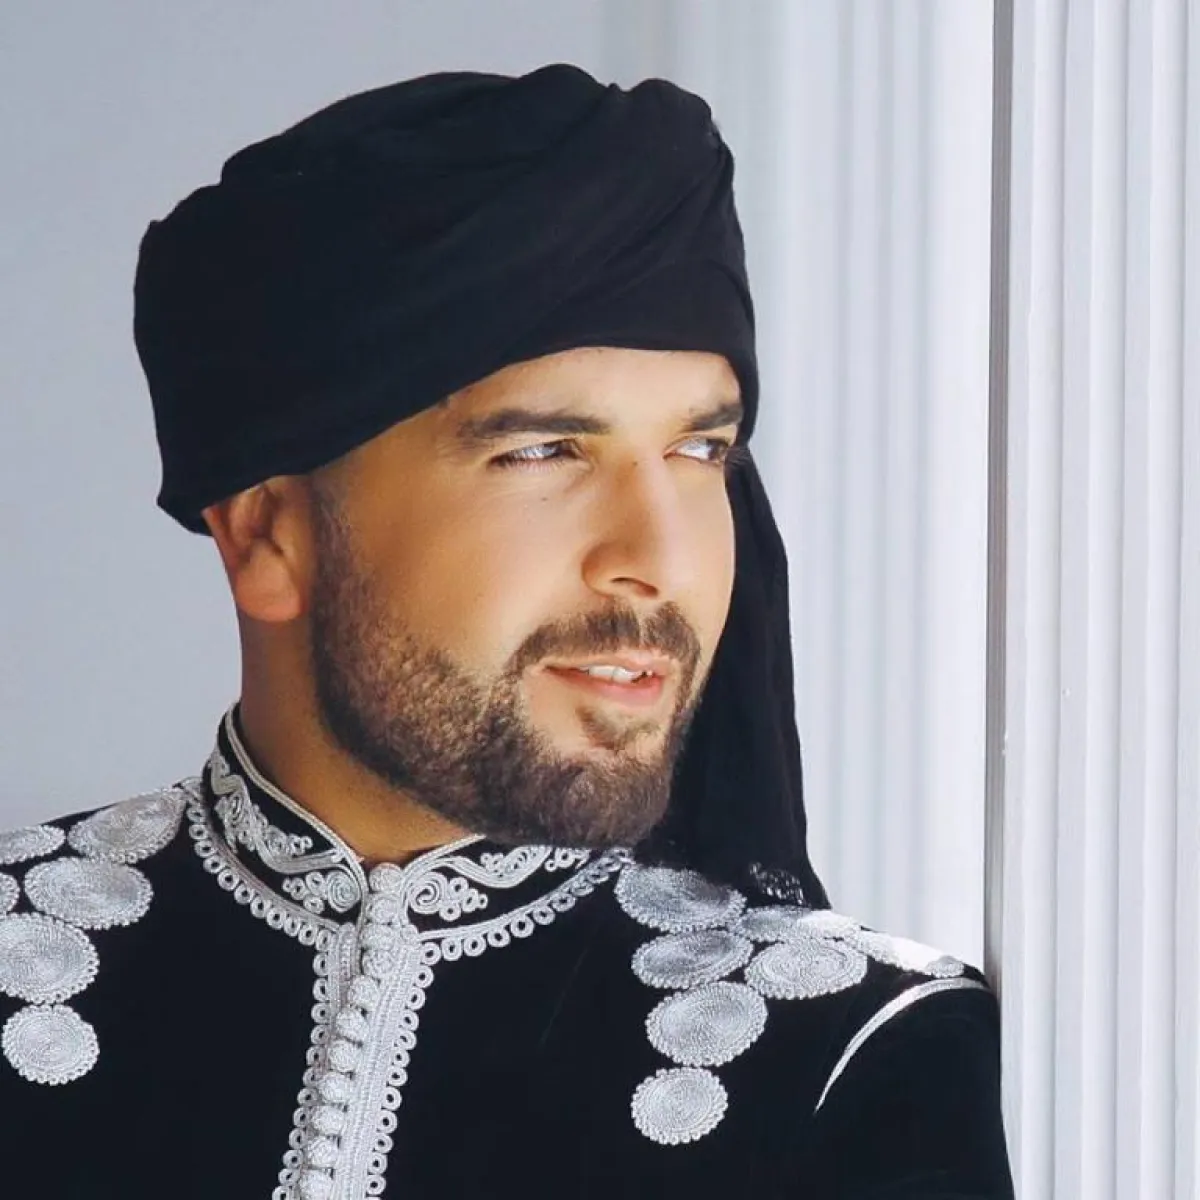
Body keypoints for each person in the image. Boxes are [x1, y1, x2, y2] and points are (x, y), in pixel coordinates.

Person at [0, 66, 1013, 1198]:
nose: (660, 558)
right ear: (269, 536)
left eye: (699, 452)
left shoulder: (854, 1063)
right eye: (543, 452)